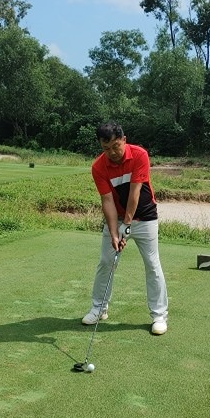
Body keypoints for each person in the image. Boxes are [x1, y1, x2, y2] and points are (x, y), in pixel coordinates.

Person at [82, 121, 169, 335]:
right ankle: (99, 308)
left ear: (123, 140)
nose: (111, 152)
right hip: (117, 217)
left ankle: (159, 316)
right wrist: (114, 231)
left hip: (145, 217)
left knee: (152, 263)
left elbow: (134, 193)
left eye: (115, 146)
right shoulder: (98, 167)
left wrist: (127, 225)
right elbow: (107, 201)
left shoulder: (139, 155)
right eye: (106, 148)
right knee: (106, 262)